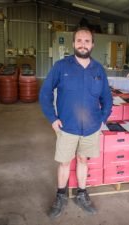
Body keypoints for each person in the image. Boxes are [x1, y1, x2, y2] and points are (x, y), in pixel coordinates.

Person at [39, 27, 113, 218]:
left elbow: (107, 97)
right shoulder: (61, 66)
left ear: (92, 44)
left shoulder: (98, 69)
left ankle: (82, 194)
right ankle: (60, 196)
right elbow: (45, 93)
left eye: (86, 41)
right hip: (67, 127)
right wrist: (53, 119)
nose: (82, 44)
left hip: (90, 128)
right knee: (64, 163)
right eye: (79, 40)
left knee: (83, 160)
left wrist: (102, 119)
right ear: (73, 43)